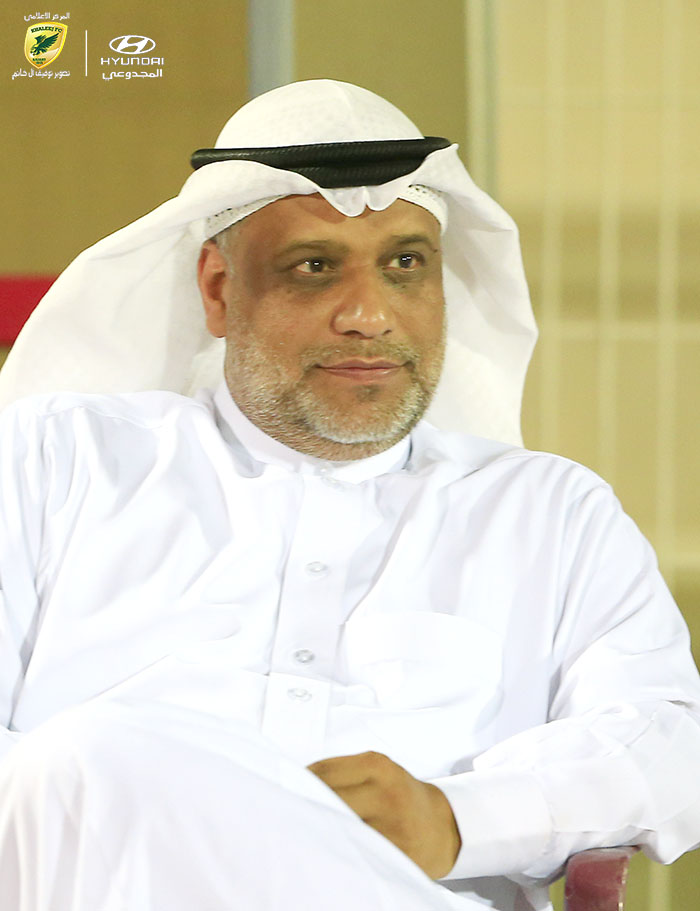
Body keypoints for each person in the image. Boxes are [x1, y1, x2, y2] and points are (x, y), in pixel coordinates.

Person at [0, 79, 699, 911]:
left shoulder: (551, 513)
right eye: (314, 267)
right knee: (88, 757)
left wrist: (454, 817)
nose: (369, 315)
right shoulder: (54, 462)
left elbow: (668, 748)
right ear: (219, 290)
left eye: (405, 264)